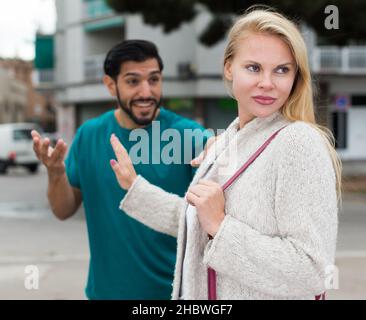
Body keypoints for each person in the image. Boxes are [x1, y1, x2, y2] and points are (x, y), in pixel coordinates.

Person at [110, 8, 341, 300]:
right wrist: (136, 189)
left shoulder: (299, 143)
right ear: (229, 68)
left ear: (295, 77)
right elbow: (196, 224)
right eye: (254, 68)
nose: (267, 83)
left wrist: (221, 226)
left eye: (282, 70)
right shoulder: (229, 140)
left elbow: (312, 272)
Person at [31, 40, 211, 299]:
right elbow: (63, 210)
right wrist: (56, 173)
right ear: (110, 84)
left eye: (154, 79)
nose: (146, 91)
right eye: (133, 81)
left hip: (175, 296)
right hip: (104, 293)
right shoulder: (89, 135)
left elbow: (211, 224)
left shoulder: (190, 137)